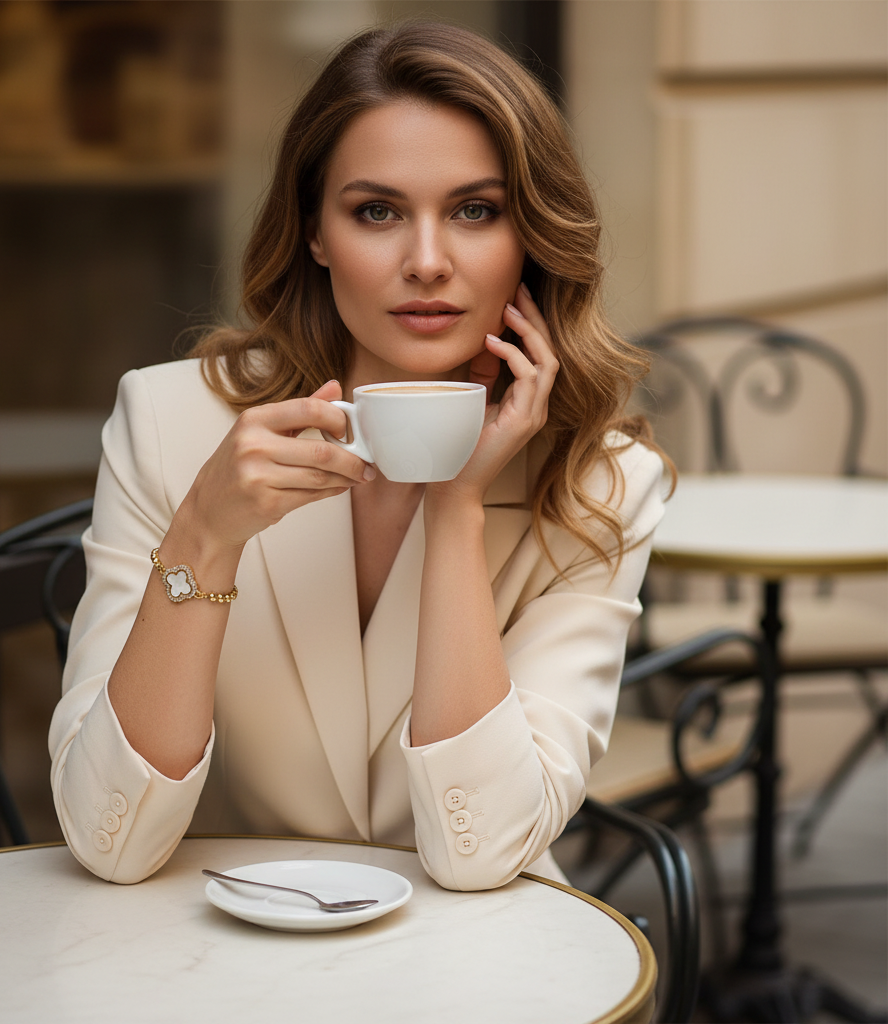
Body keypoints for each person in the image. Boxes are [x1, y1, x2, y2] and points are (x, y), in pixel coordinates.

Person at [49, 22, 670, 889]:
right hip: (222, 954)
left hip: (481, 967)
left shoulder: (603, 485)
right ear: (314, 232)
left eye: (475, 211)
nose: (426, 262)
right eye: (376, 211)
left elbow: (480, 854)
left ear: (529, 235)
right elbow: (107, 841)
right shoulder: (170, 424)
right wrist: (203, 539)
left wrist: (454, 509)